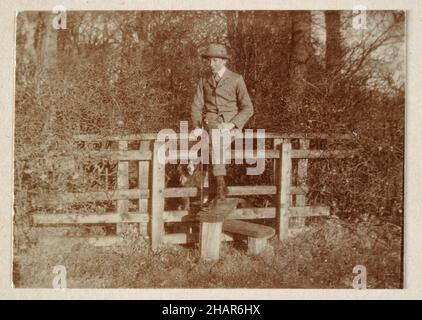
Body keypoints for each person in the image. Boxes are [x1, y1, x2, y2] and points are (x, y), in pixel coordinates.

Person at [190, 43, 254, 205]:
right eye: (209, 61)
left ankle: (219, 188)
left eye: (215, 61)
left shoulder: (236, 79)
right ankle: (210, 191)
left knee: (215, 143)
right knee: (205, 144)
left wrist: (232, 124)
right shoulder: (204, 80)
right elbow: (196, 105)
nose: (211, 64)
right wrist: (197, 126)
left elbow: (248, 108)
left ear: (224, 61)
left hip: (230, 127)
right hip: (210, 126)